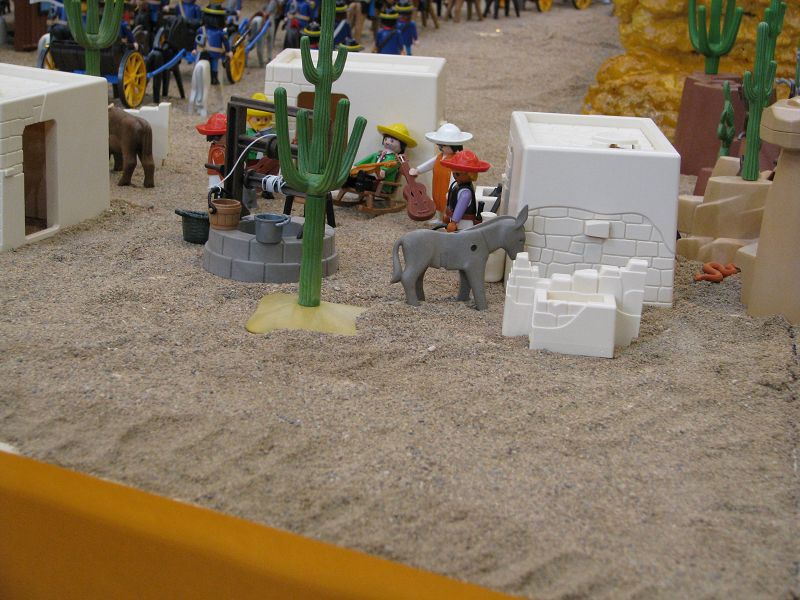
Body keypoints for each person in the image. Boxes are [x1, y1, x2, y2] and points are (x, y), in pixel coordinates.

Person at [409, 122, 472, 226]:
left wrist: (451, 190)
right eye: (440, 145)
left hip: (447, 184)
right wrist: (418, 170)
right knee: (436, 199)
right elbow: (429, 164)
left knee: (446, 203)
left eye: (444, 145)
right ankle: (439, 218)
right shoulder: (439, 156)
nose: (441, 147)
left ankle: (446, 220)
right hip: (437, 182)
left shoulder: (455, 159)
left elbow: (454, 176)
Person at [347, 122, 416, 194]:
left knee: (362, 178)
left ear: (402, 145)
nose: (387, 142)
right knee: (351, 176)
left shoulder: (396, 160)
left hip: (381, 185)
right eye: (386, 139)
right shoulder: (377, 154)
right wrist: (356, 166)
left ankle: (356, 182)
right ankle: (348, 181)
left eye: (392, 141)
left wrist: (380, 171)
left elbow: (383, 173)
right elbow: (367, 159)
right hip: (370, 178)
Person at [439, 150, 490, 231]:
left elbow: (460, 207)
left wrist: (454, 222)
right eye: (453, 173)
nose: (454, 176)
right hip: (456, 219)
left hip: (463, 222)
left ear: (469, 175)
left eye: (457, 174)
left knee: (462, 234)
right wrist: (448, 214)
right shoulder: (458, 185)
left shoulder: (465, 192)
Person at [194, 3, 232, 85]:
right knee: (214, 62)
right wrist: (228, 51)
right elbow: (226, 42)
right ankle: (214, 78)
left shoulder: (201, 29)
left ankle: (197, 73)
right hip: (215, 52)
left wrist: (194, 49)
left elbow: (197, 39)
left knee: (199, 59)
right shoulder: (221, 32)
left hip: (203, 51)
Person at [196, 112, 228, 189]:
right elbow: (222, 170)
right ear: (218, 137)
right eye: (226, 135)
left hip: (217, 180)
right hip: (219, 182)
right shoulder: (218, 152)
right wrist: (227, 182)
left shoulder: (217, 147)